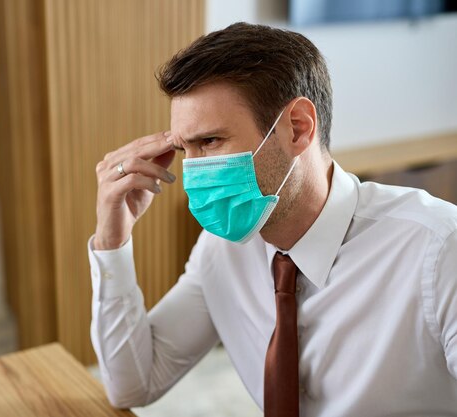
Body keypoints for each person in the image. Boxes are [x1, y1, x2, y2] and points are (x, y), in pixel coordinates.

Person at [87, 23, 457, 416]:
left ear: (298, 128)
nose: (193, 173)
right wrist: (112, 240)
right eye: (184, 149)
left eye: (210, 142)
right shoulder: (225, 248)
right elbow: (133, 385)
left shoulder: (438, 249)